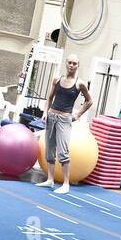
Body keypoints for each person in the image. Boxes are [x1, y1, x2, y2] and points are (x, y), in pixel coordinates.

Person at [36, 53, 93, 195]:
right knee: (49, 149)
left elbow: (89, 101)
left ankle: (66, 183)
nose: (72, 65)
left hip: (65, 119)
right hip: (51, 116)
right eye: (70, 63)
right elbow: (50, 97)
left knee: (63, 151)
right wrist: (45, 112)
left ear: (78, 65)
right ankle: (50, 179)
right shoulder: (57, 79)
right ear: (66, 64)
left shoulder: (80, 84)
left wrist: (77, 115)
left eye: (75, 63)